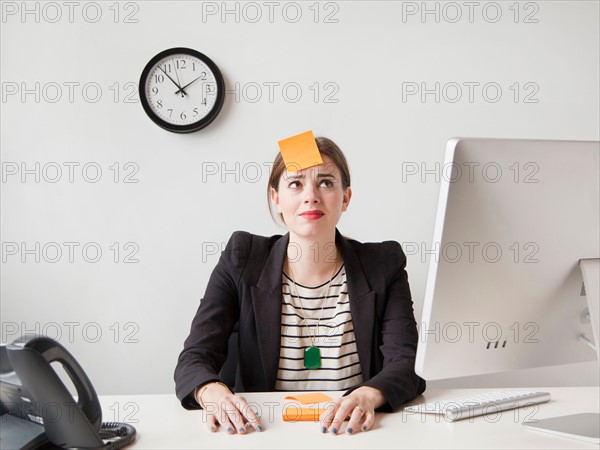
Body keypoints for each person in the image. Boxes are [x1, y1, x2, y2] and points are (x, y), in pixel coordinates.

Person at [174, 136, 425, 435]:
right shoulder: (242, 258)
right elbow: (194, 357)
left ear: (346, 198)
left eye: (326, 183)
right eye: (295, 184)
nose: (311, 196)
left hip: (355, 434)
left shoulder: (383, 263)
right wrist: (211, 391)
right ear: (276, 198)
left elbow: (407, 362)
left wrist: (366, 396)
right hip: (263, 434)